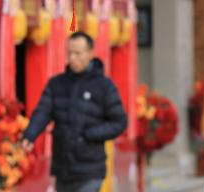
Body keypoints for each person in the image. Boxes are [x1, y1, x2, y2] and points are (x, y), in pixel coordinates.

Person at [22, 32, 128, 192]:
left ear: (90, 53)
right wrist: (30, 135)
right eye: (69, 53)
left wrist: (91, 134)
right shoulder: (56, 84)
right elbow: (43, 112)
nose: (72, 58)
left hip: (91, 168)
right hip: (63, 168)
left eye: (78, 53)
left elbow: (119, 122)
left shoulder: (104, 86)